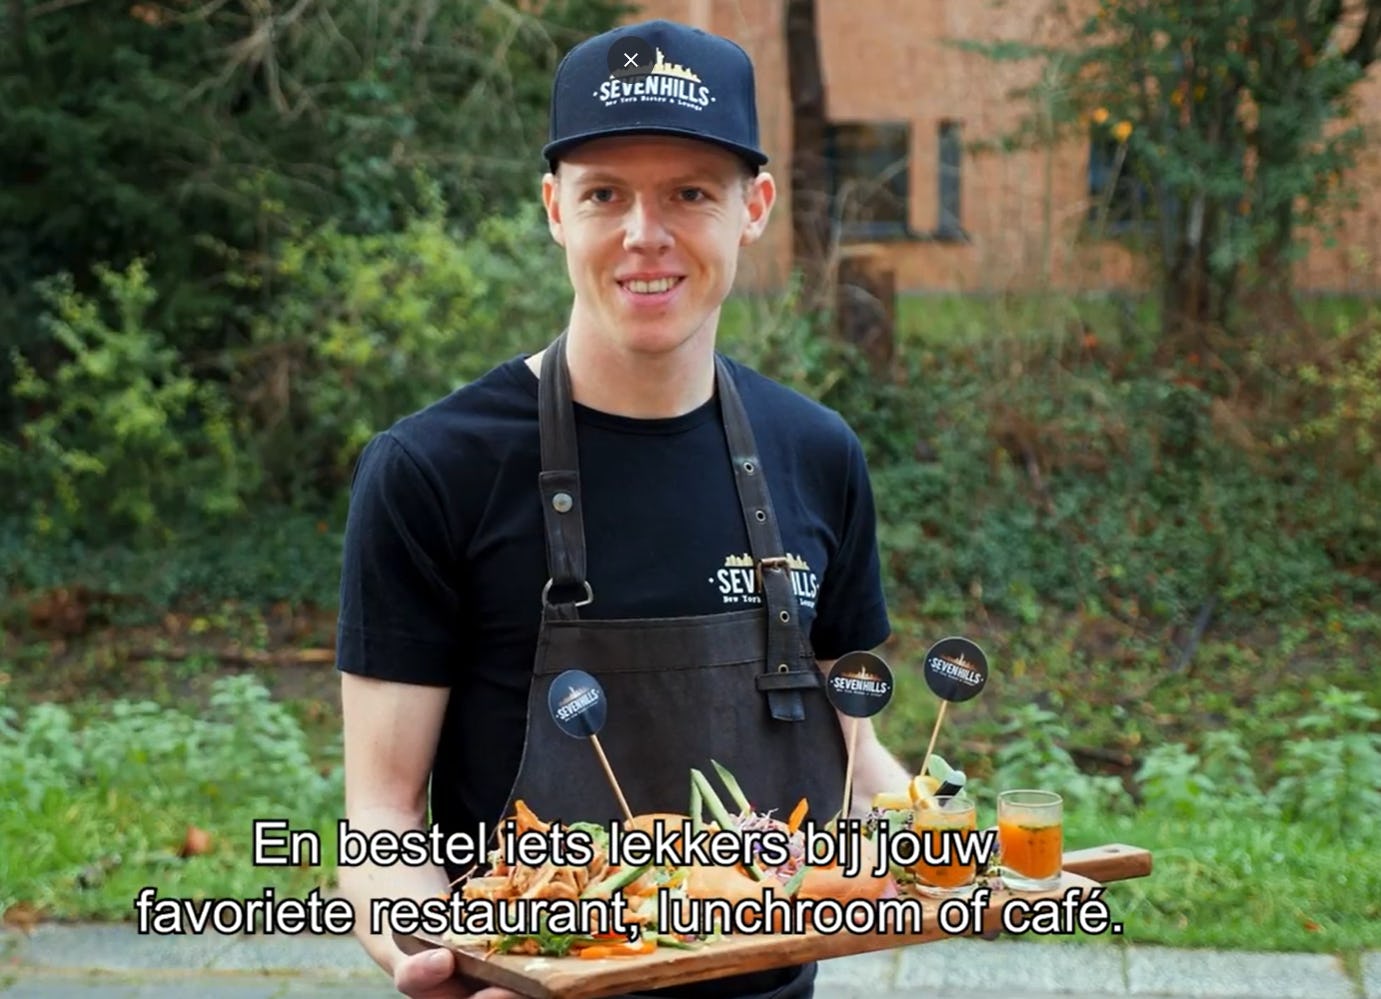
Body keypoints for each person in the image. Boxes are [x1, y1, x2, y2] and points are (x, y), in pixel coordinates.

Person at [334, 17, 912, 999]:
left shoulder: (817, 455)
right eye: (607, 194)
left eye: (690, 192)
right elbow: (382, 814)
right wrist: (427, 951)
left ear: (754, 206)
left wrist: (957, 850)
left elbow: (855, 756)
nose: (647, 234)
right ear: (556, 208)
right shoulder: (431, 471)